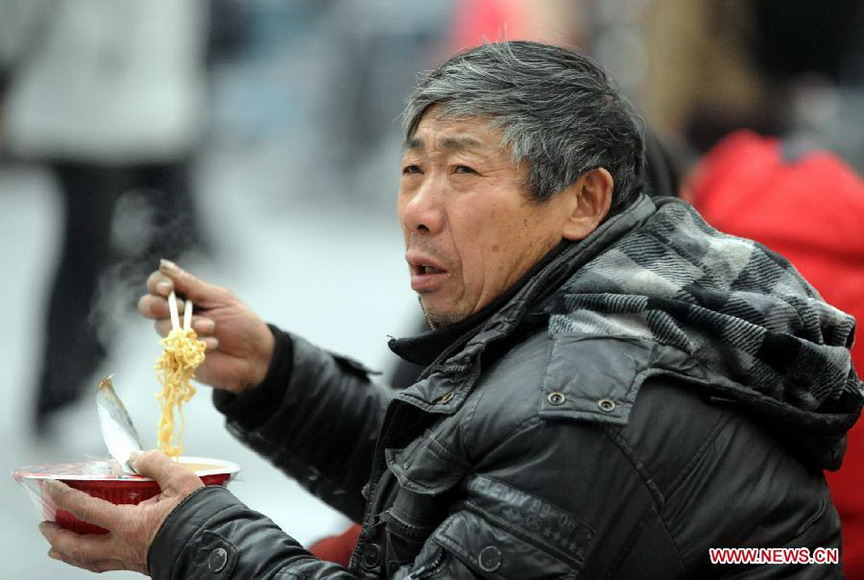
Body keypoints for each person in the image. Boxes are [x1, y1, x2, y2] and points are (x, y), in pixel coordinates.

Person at [37, 41, 861, 578]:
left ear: (584, 203)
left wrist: (183, 534)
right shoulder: (581, 306)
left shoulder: (588, 396)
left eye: (463, 174)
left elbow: (523, 467)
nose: (420, 210)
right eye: (411, 171)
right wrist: (276, 374)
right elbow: (455, 482)